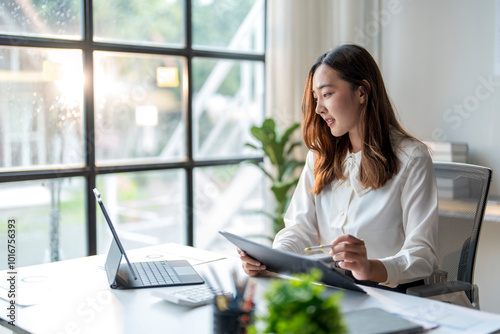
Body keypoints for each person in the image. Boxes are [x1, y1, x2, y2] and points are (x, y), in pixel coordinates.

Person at [238, 44, 438, 292]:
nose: (319, 108)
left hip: (388, 296)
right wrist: (271, 259)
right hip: (332, 292)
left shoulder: (411, 158)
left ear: (362, 92)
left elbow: (422, 255)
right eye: (315, 98)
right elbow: (300, 229)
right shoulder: (321, 155)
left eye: (327, 94)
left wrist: (370, 267)